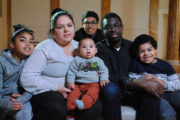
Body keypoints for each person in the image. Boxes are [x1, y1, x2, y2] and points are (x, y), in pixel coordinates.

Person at [20, 9, 102, 120]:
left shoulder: (80, 46)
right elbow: (27, 77)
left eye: (69, 25)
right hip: (48, 92)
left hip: (75, 90)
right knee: (57, 107)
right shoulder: (44, 48)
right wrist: (57, 88)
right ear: (53, 31)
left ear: (74, 27)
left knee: (95, 107)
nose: (66, 30)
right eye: (60, 27)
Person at [96, 12, 162, 120]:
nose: (113, 29)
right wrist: (133, 81)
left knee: (151, 94)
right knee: (109, 89)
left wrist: (149, 79)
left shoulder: (132, 46)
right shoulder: (98, 49)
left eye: (116, 25)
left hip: (134, 90)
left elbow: (144, 65)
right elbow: (107, 75)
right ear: (102, 30)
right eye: (108, 27)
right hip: (113, 90)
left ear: (122, 27)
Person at [129, 34, 180, 120]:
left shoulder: (165, 65)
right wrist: (142, 80)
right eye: (141, 51)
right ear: (137, 53)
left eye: (149, 50)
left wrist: (163, 83)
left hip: (168, 93)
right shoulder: (135, 64)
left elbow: (177, 84)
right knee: (167, 113)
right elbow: (131, 81)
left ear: (155, 50)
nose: (146, 54)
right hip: (152, 96)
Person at [66, 37, 109, 120]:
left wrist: (103, 79)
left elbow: (104, 70)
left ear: (96, 50)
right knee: (71, 96)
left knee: (92, 94)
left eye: (91, 46)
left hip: (93, 84)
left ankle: (83, 104)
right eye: (84, 47)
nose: (88, 49)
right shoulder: (77, 60)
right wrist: (70, 82)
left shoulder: (98, 61)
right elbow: (71, 71)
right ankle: (70, 115)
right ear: (79, 51)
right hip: (78, 84)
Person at [0, 24, 35, 120]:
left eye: (31, 42)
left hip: (20, 98)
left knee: (25, 113)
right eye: (22, 40)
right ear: (12, 44)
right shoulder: (2, 62)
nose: (28, 44)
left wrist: (23, 98)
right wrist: (6, 104)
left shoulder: (30, 61)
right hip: (2, 99)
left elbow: (32, 86)